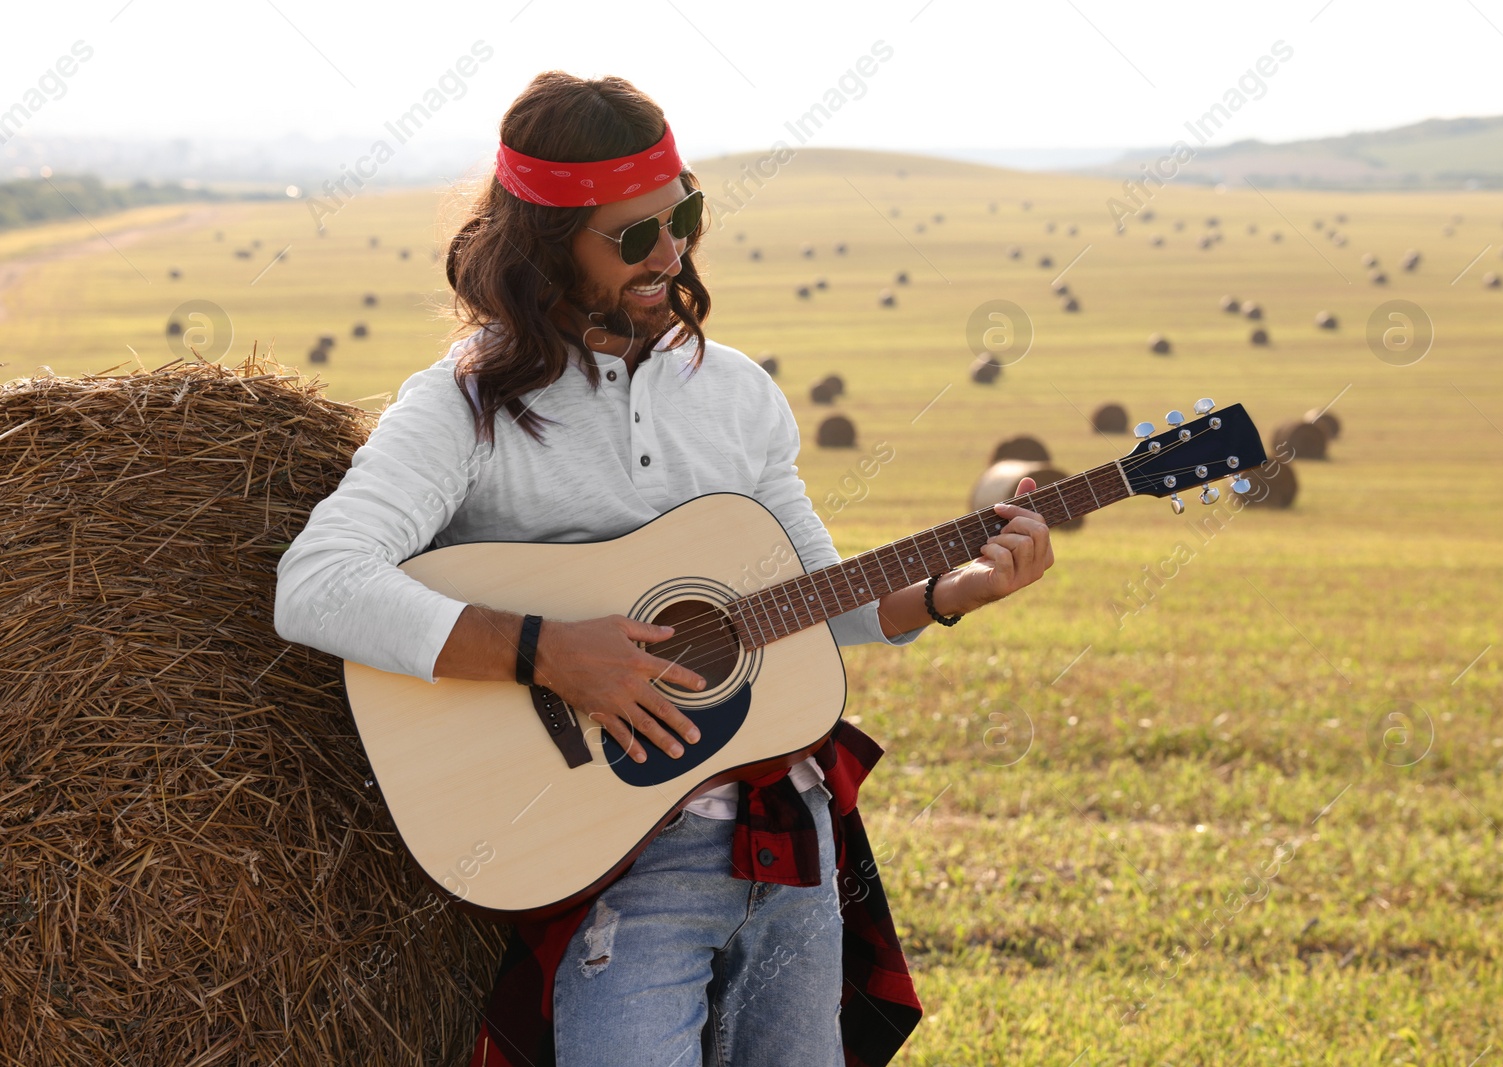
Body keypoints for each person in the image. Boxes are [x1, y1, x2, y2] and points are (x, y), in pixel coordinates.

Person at [273, 70, 1054, 1067]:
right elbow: (320, 582)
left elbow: (816, 600)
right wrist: (545, 651)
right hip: (612, 856)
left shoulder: (737, 396)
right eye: (633, 234)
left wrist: (950, 591)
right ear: (546, 241)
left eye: (681, 214)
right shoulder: (460, 406)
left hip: (788, 837)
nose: (672, 251)